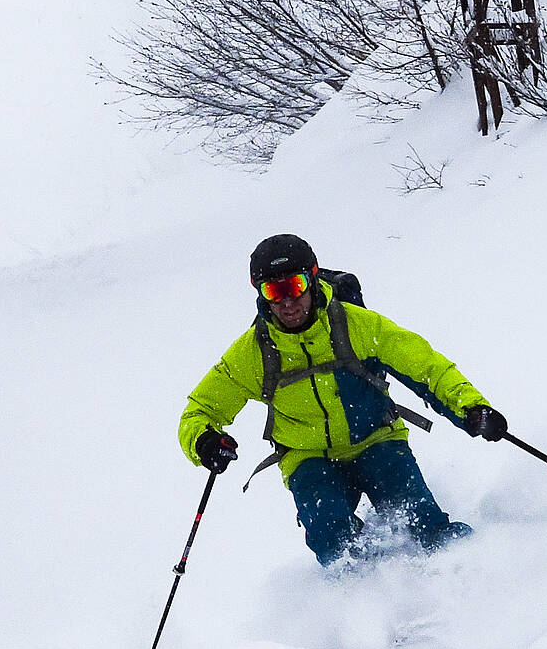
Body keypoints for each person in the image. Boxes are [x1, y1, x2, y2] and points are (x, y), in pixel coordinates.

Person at [178, 234, 508, 567]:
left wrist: (471, 408)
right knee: (333, 544)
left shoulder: (357, 325)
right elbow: (199, 410)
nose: (287, 302)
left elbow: (426, 367)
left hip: (377, 440)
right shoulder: (253, 354)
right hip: (308, 459)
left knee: (424, 524)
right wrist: (205, 441)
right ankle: (362, 603)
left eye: (294, 286)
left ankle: (482, 569)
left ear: (313, 278)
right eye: (273, 292)